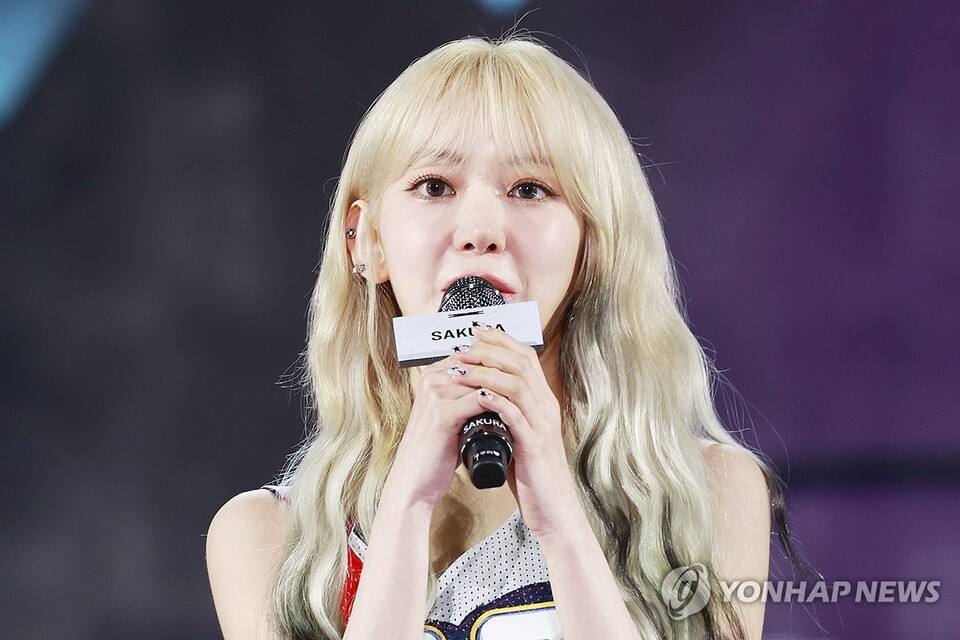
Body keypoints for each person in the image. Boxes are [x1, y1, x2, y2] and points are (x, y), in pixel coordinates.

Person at [206, 35, 782, 640]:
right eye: (435, 186)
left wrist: (562, 520)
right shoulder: (270, 538)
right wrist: (405, 506)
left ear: (593, 243)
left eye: (530, 189)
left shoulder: (704, 497)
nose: (480, 230)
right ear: (365, 240)